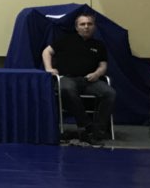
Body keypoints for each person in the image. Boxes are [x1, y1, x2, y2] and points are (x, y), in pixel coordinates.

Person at [43, 11, 116, 146]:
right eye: (82, 24)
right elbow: (47, 51)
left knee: (109, 93)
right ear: (77, 27)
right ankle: (86, 126)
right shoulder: (66, 40)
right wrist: (49, 68)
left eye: (89, 24)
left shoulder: (99, 45)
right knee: (67, 89)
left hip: (89, 81)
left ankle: (98, 131)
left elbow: (103, 65)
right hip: (67, 78)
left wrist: (97, 74)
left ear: (94, 27)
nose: (86, 27)